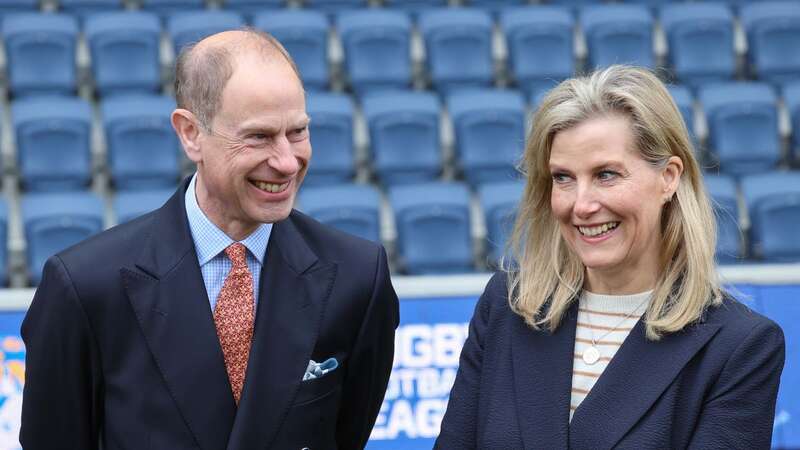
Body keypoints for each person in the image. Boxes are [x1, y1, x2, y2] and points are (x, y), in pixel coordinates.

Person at [21, 29, 399, 450]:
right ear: (190, 133)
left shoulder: (358, 278)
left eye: (297, 132)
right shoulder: (85, 286)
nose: (287, 161)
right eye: (258, 136)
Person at [435, 65, 785, 449]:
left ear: (668, 177)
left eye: (606, 175)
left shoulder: (739, 346)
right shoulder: (506, 307)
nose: (581, 205)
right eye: (563, 178)